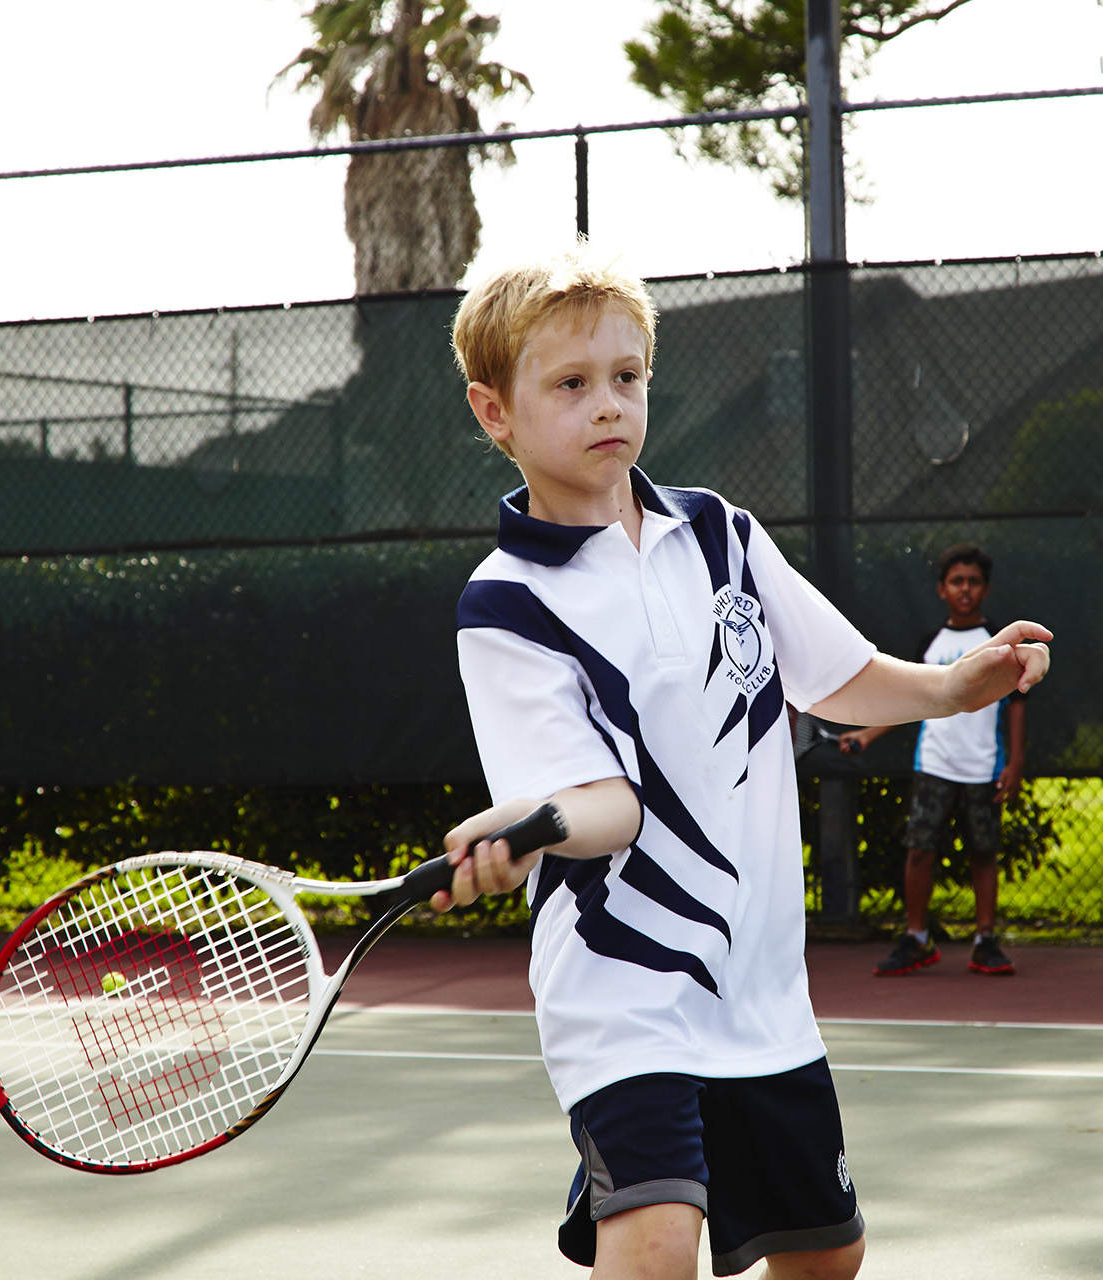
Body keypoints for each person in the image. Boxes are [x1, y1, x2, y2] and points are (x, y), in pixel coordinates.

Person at [431, 248, 1051, 1280]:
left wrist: (950, 688)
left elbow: (835, 674)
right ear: (496, 412)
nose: (608, 405)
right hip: (621, 983)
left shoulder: (720, 532)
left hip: (761, 985)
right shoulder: (505, 606)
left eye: (627, 378)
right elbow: (602, 805)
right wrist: (526, 827)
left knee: (826, 1258)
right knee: (658, 1246)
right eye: (572, 384)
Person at [836, 544, 1029, 978]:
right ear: (942, 589)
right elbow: (915, 702)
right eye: (957, 581)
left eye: (973, 582)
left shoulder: (997, 644)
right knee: (919, 851)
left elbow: (1017, 705)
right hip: (933, 766)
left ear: (986, 589)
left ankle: (985, 941)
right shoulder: (931, 643)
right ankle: (917, 939)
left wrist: (1014, 763)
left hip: (983, 769)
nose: (965, 589)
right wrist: (866, 736)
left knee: (984, 853)